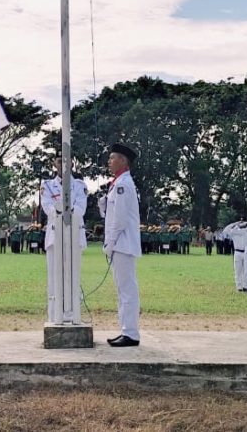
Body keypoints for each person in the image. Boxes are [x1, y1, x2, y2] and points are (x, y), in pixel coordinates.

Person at [39, 156, 89, 323]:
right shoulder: (47, 186)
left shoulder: (80, 185)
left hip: (74, 235)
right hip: (55, 235)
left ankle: (73, 315)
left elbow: (81, 209)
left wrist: (67, 211)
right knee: (54, 277)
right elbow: (48, 208)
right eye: (60, 161)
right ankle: (55, 316)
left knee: (73, 277)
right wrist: (62, 212)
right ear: (54, 163)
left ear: (73, 163)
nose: (63, 164)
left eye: (66, 161)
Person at [103, 143, 141, 347]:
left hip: (123, 243)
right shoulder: (118, 183)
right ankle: (126, 330)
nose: (109, 161)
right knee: (122, 289)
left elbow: (120, 220)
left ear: (123, 161)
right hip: (121, 243)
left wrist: (109, 243)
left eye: (113, 157)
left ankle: (131, 333)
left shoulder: (122, 184)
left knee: (127, 289)